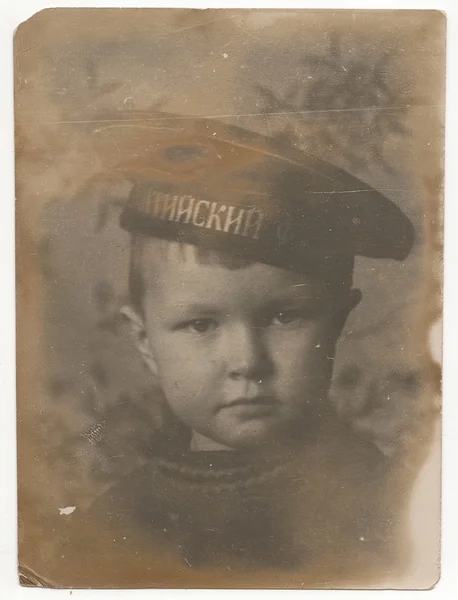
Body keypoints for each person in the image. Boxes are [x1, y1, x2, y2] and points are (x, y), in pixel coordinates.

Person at [54, 114, 415, 588]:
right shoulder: (112, 525)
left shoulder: (398, 511)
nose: (247, 362)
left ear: (337, 319)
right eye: (201, 324)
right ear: (144, 341)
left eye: (284, 316)